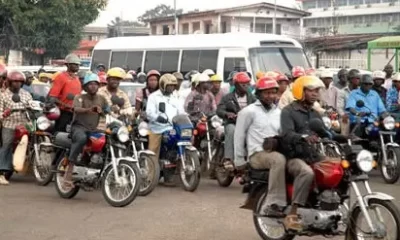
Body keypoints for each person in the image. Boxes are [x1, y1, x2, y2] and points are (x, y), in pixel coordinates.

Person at [234, 77, 287, 220]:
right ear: (258, 94)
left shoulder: (279, 113)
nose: (270, 96)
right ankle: (273, 203)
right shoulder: (248, 112)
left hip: (275, 151)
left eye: (273, 93)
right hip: (257, 154)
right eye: (266, 93)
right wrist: (239, 161)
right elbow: (239, 136)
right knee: (278, 160)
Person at [280, 76, 325, 231]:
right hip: (294, 156)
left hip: (312, 154)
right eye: (311, 90)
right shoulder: (288, 112)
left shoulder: (315, 113)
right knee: (306, 172)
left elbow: (325, 132)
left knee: (337, 167)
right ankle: (293, 213)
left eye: (317, 91)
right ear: (301, 91)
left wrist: (345, 137)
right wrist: (303, 137)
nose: (315, 94)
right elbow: (287, 134)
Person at [62, 73, 109, 187]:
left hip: (93, 129)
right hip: (78, 127)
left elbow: (107, 110)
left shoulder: (102, 99)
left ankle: (100, 168)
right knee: (81, 138)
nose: (93, 86)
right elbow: (76, 109)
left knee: (108, 140)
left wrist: (104, 111)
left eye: (95, 84)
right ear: (86, 86)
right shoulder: (79, 97)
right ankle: (69, 170)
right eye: (90, 84)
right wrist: (89, 109)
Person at [146, 74, 185, 186]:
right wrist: (157, 117)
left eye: (173, 86)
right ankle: (150, 177)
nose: (172, 88)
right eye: (169, 86)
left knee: (176, 147)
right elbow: (149, 112)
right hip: (157, 127)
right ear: (163, 85)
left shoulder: (175, 97)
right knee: (153, 151)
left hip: (172, 127)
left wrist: (186, 118)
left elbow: (181, 111)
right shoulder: (154, 96)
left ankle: (171, 175)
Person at [217, 72, 256, 174]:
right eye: (243, 84)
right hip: (232, 123)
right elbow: (219, 110)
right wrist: (227, 114)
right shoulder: (227, 97)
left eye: (247, 84)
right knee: (231, 130)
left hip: (247, 125)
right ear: (236, 84)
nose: (246, 86)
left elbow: (258, 108)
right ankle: (228, 159)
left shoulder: (252, 98)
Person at [0, 70, 33, 185]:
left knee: (37, 137)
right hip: (9, 124)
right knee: (7, 145)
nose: (17, 84)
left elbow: (31, 105)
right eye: (14, 82)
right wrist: (4, 114)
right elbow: (0, 111)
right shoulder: (3, 95)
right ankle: (2, 173)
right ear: (9, 82)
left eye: (19, 82)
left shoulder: (26, 94)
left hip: (25, 124)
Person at [48, 54, 82, 132]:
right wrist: (67, 106)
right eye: (75, 64)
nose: (77, 66)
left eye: (78, 65)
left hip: (75, 113)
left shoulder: (77, 79)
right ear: (68, 65)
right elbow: (52, 98)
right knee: (60, 134)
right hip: (63, 113)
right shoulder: (61, 77)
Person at [336, 69, 360, 135]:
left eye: (359, 78)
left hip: (359, 115)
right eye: (357, 78)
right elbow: (339, 107)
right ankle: (345, 141)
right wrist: (343, 115)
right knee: (345, 122)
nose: (359, 80)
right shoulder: (342, 92)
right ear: (351, 79)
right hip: (347, 116)